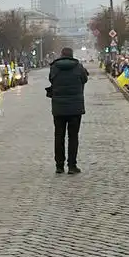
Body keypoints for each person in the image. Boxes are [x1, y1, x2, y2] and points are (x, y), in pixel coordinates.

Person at [48, 46, 88, 175]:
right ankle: (72, 165)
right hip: (75, 108)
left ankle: (59, 166)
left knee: (59, 136)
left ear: (61, 54)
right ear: (72, 55)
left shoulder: (54, 67)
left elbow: (51, 79)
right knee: (73, 137)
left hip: (58, 107)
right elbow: (85, 79)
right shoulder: (78, 67)